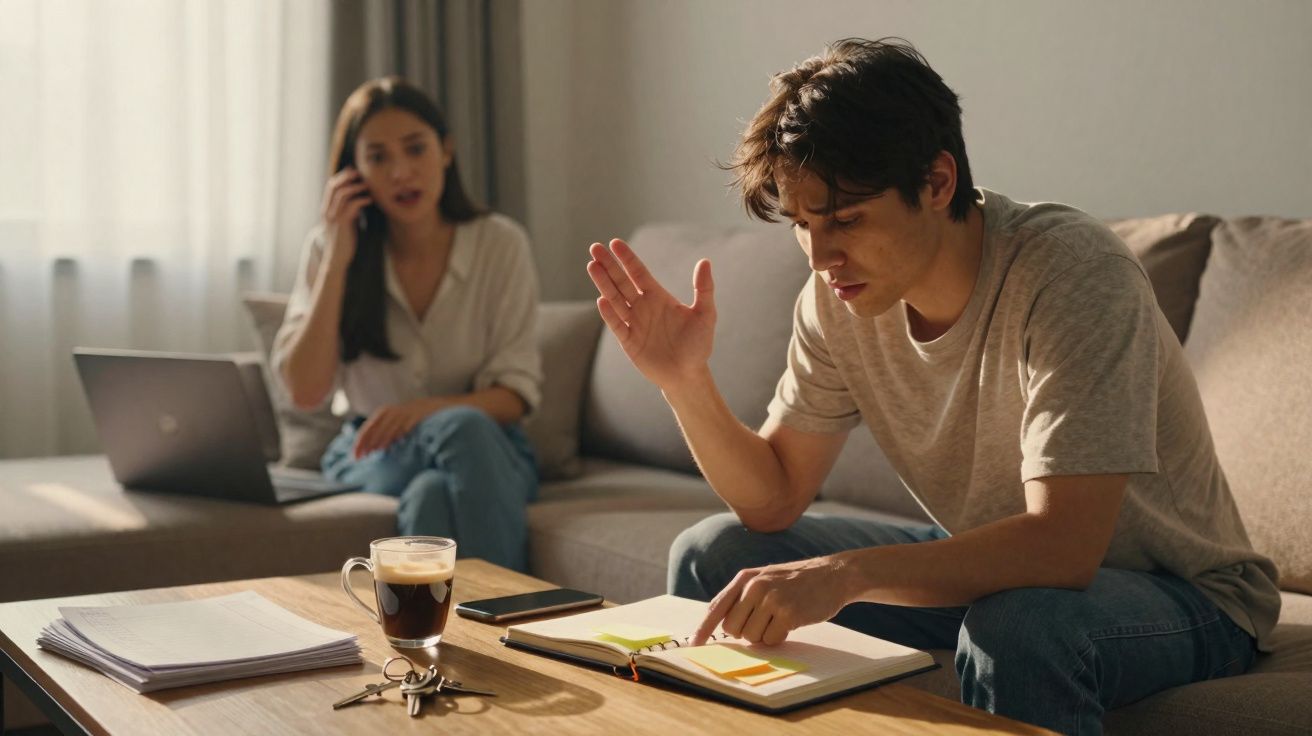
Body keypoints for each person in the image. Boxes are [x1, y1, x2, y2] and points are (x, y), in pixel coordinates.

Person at [585, 38, 1278, 734]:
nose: (821, 256)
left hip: (1183, 594)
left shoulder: (1073, 274)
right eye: (802, 225)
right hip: (998, 564)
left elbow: (1064, 548)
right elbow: (774, 499)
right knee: (717, 554)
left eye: (846, 220)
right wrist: (685, 382)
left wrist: (847, 574)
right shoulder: (836, 299)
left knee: (1020, 625)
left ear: (938, 182)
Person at [274, 77, 541, 572]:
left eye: (416, 149)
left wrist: (424, 412)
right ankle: (510, 609)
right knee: (452, 442)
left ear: (446, 151)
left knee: (431, 490)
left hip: (490, 451)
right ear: (353, 173)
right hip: (373, 454)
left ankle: (441, 620)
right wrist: (337, 257)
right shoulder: (328, 249)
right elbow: (305, 391)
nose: (401, 172)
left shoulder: (500, 244)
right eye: (378, 158)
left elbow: (515, 396)